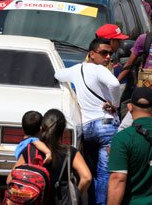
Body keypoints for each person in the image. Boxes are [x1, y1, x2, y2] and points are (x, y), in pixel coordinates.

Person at [54, 38, 120, 205]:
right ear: (91, 54)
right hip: (105, 127)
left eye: (110, 53)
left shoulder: (76, 70)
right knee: (104, 173)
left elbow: (58, 74)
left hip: (87, 129)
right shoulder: (100, 70)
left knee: (90, 172)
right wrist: (115, 104)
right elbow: (114, 83)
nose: (108, 57)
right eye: (103, 53)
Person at [10, 109, 92, 201]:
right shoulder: (70, 152)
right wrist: (75, 196)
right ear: (62, 130)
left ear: (42, 127)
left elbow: (10, 179)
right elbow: (86, 177)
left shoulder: (31, 150)